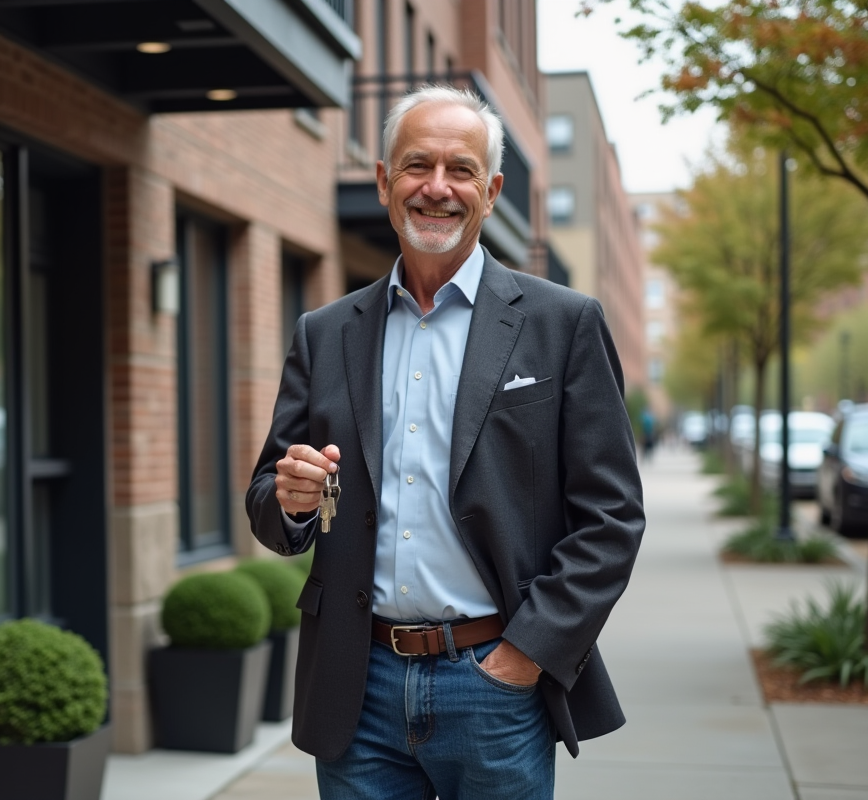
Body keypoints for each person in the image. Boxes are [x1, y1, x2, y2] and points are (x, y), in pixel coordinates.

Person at [245, 85, 645, 800]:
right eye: (417, 165)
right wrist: (293, 498)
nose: (437, 188)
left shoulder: (563, 324)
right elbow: (270, 503)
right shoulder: (325, 332)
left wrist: (528, 653)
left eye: (460, 169)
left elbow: (611, 518)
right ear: (383, 181)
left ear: (491, 191)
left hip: (493, 686)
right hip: (355, 688)